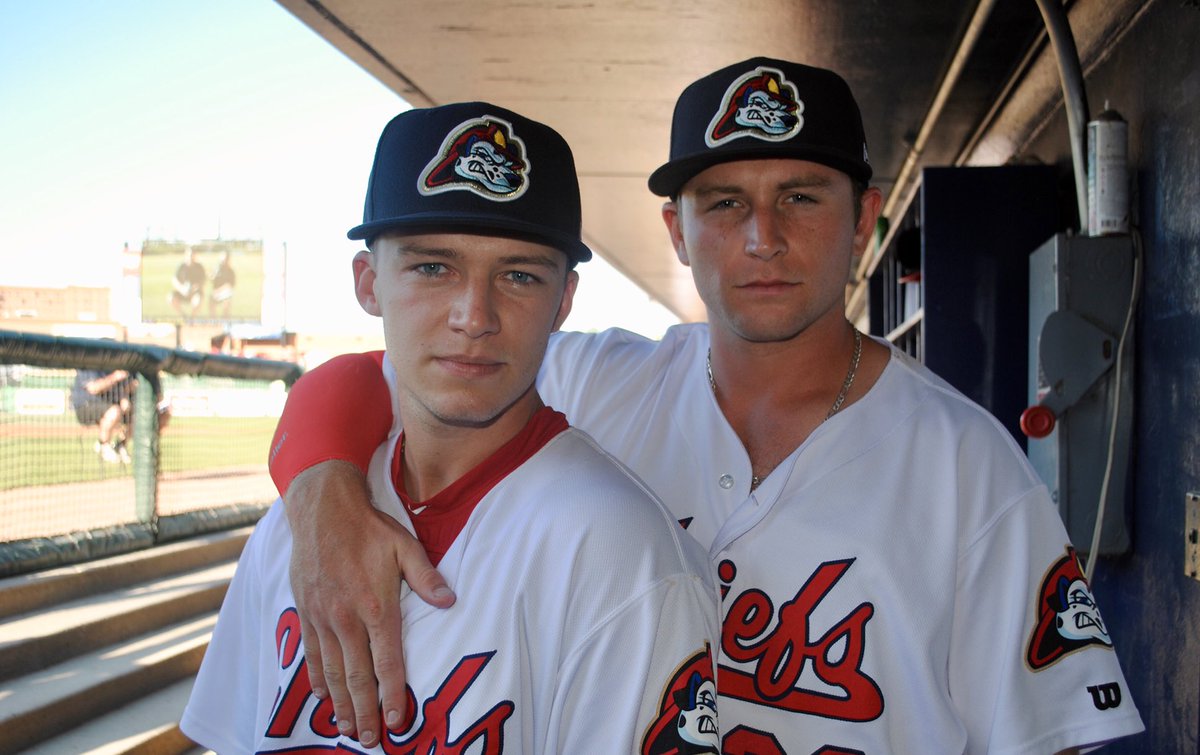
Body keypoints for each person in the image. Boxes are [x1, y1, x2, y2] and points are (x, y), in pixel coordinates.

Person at [269, 59, 1145, 752]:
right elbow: (364, 378)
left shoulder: (968, 463)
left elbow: (1049, 735)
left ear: (867, 219)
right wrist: (321, 487)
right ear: (676, 231)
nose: (763, 236)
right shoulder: (597, 384)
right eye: (725, 203)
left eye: (801, 196)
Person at [180, 102, 719, 754]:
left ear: (564, 302)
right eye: (433, 267)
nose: (474, 315)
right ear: (368, 282)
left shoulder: (625, 556)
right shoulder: (300, 526)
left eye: (518, 275)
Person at [70, 368, 134, 463]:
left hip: (108, 404)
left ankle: (120, 446)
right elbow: (94, 388)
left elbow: (120, 390)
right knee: (114, 411)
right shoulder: (89, 365)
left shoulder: (112, 366)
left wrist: (123, 397)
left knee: (135, 415)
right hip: (85, 405)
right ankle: (104, 446)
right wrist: (115, 376)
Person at [168, 246, 205, 319]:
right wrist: (182, 289)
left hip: (194, 293)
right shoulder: (181, 266)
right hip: (183, 292)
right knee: (170, 298)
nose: (190, 257)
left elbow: (202, 282)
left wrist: (194, 289)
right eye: (189, 255)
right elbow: (174, 279)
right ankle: (184, 316)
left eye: (192, 254)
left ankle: (192, 318)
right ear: (185, 255)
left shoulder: (199, 267)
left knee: (197, 301)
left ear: (195, 255)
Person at [208, 250, 236, 319]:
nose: (223, 261)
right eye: (222, 260)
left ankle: (225, 321)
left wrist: (218, 291)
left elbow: (229, 286)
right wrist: (211, 277)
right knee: (211, 300)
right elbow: (213, 280)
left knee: (226, 303)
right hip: (216, 293)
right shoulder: (217, 269)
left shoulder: (230, 271)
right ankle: (213, 320)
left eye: (225, 259)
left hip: (225, 293)